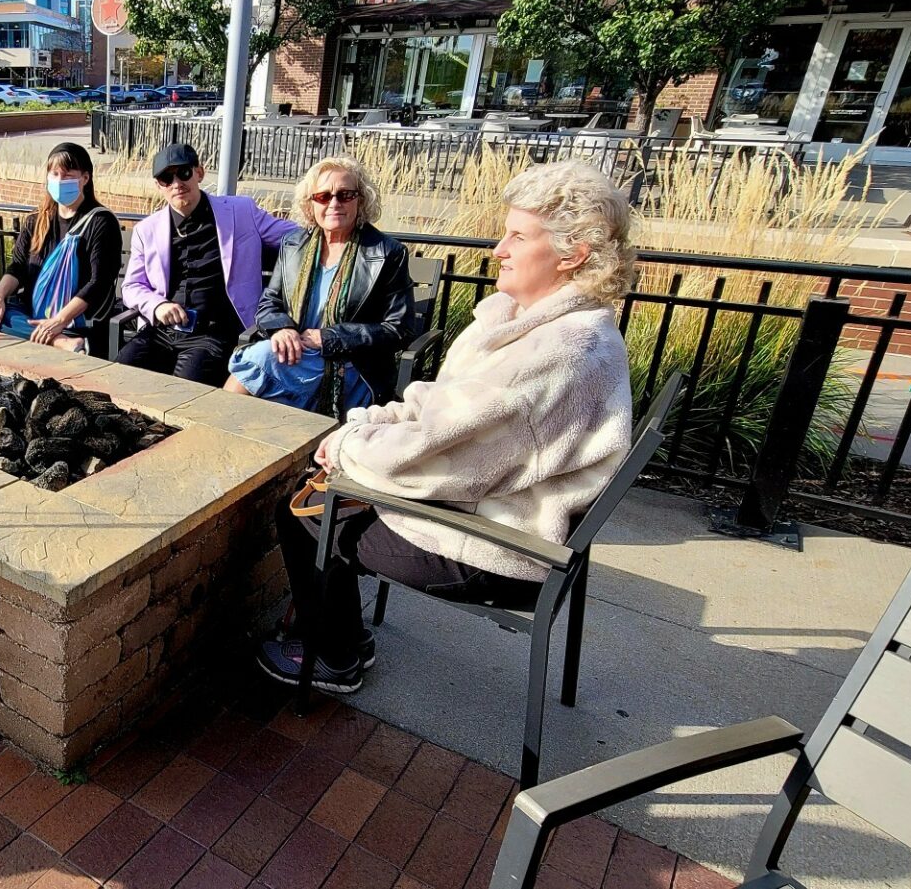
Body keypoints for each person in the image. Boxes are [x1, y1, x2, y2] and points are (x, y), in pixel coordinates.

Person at [259, 160, 636, 693]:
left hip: (500, 544)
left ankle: (337, 655)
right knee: (325, 493)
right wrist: (368, 424)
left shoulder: (560, 354)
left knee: (307, 515)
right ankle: (340, 633)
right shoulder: (530, 323)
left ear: (571, 254)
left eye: (516, 237)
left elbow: (442, 461)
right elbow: (439, 408)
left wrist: (347, 445)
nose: (498, 250)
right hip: (485, 500)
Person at [226, 157, 416, 414]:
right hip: (297, 352)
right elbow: (269, 301)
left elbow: (399, 330)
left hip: (351, 364)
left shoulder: (387, 253)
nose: (334, 203)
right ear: (311, 203)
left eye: (345, 195)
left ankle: (212, 437)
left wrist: (329, 338)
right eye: (324, 196)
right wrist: (281, 328)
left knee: (258, 360)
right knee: (262, 360)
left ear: (361, 200)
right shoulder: (294, 245)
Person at [118, 143, 296, 386]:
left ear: (199, 173)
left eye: (184, 173)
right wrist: (157, 305)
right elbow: (132, 287)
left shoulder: (240, 211)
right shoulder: (146, 230)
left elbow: (294, 237)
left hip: (213, 332)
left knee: (184, 390)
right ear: (159, 185)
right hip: (162, 330)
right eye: (166, 178)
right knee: (121, 376)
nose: (176, 183)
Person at [0, 142, 121, 353]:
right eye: (54, 174)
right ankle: (60, 342)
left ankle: (56, 334)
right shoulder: (36, 221)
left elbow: (98, 283)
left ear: (85, 178)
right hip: (35, 313)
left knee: (5, 322)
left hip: (77, 318)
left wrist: (59, 320)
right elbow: (17, 267)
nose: (59, 181)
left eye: (67, 175)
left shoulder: (100, 222)